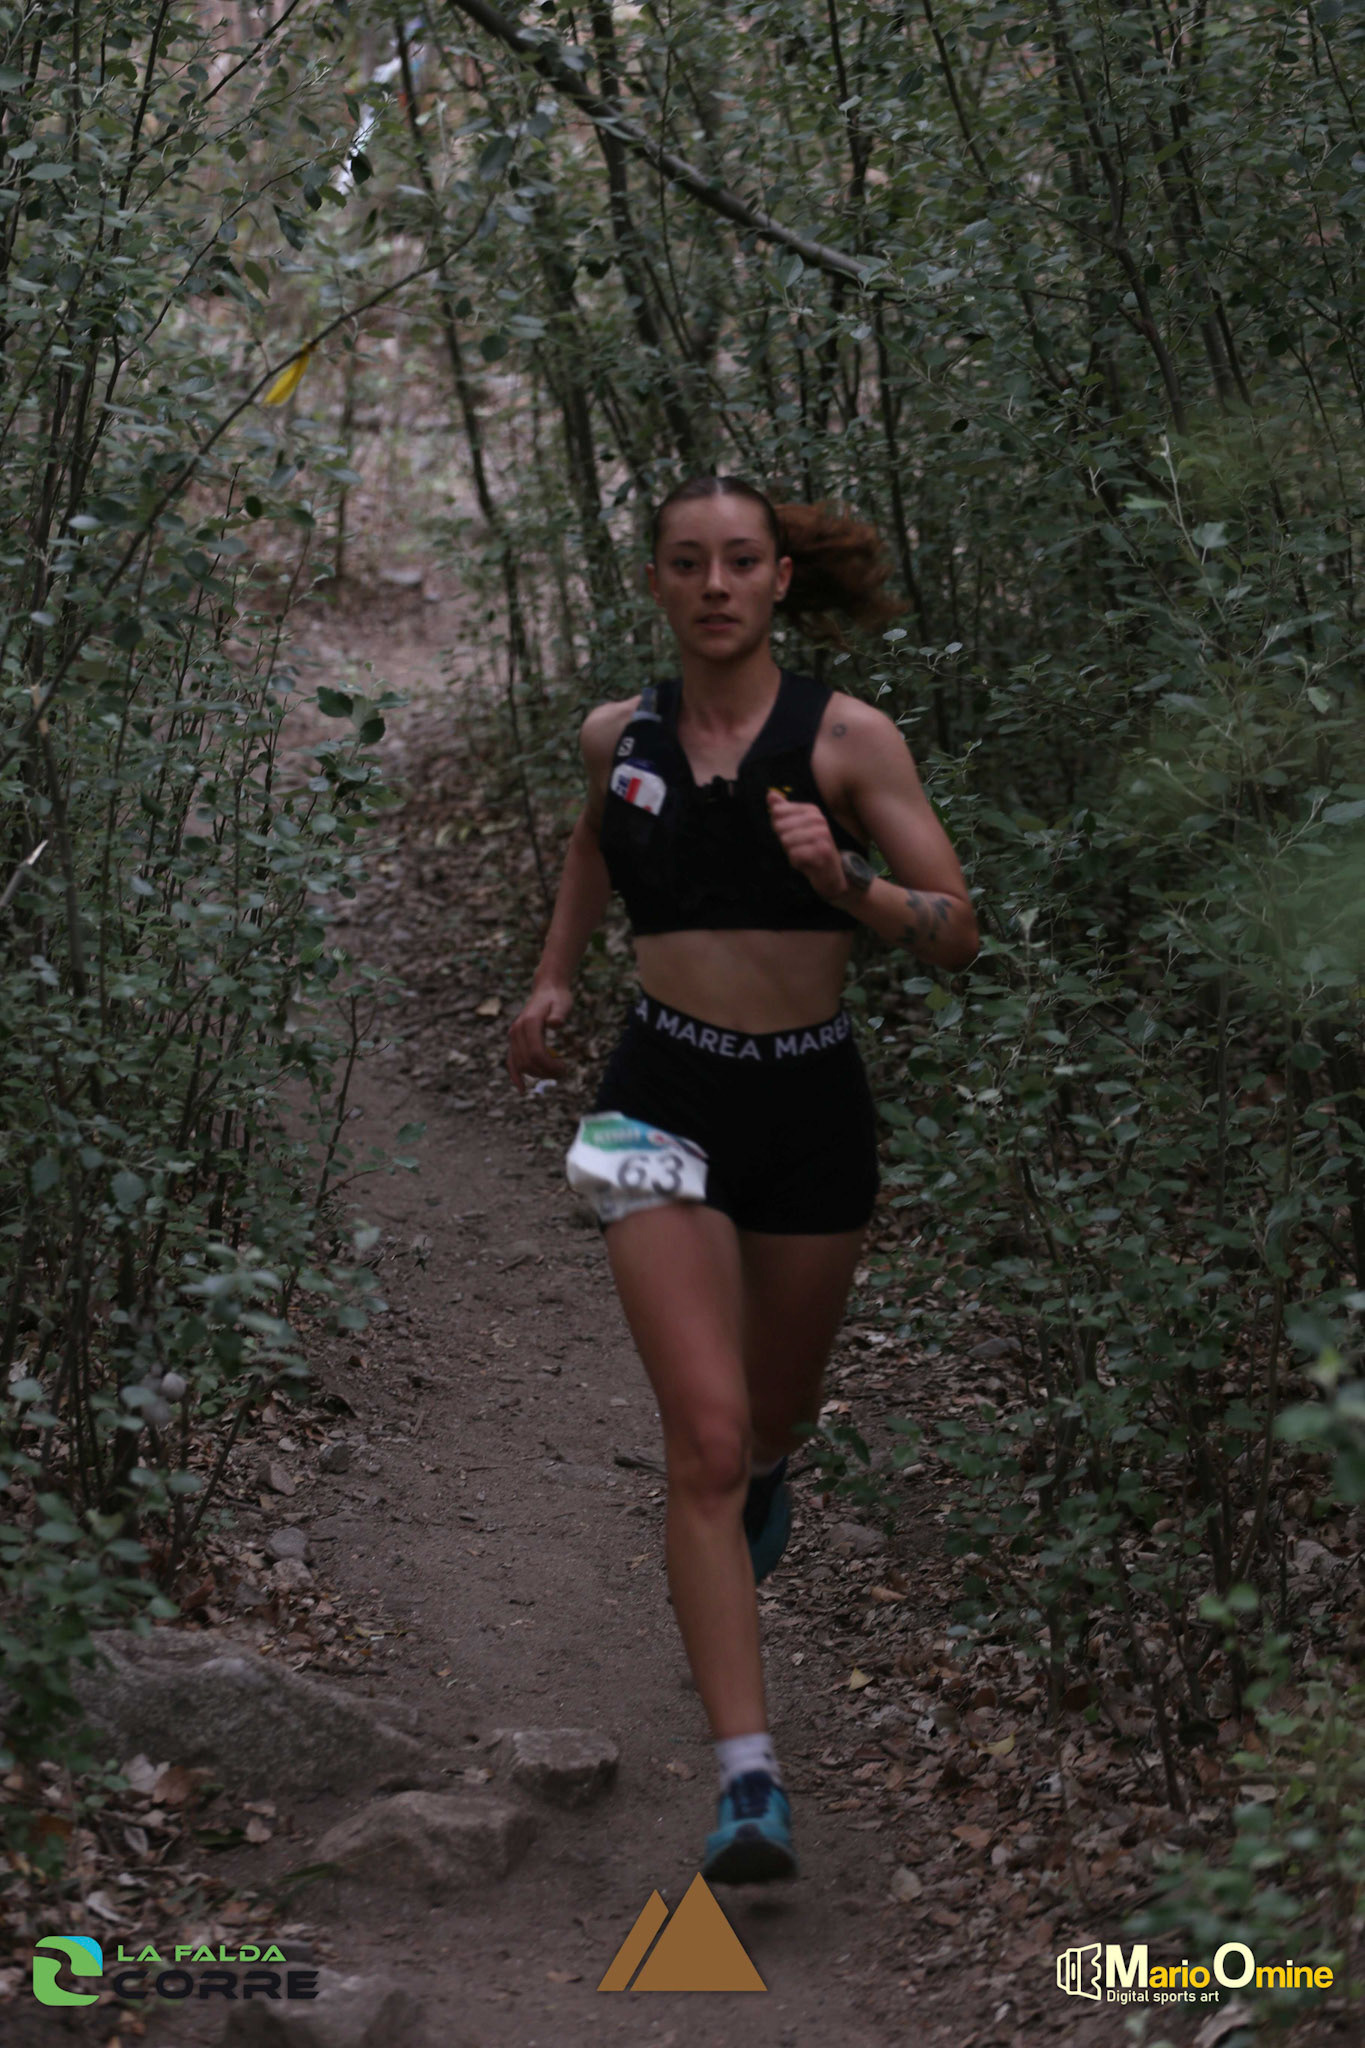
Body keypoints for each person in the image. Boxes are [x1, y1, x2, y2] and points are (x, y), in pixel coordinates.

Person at [507, 476, 978, 1886]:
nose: (713, 585)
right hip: (655, 1095)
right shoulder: (618, 735)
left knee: (770, 1419)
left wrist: (846, 884)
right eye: (685, 562)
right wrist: (551, 977)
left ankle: (771, 1465)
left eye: (738, 562)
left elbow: (957, 929)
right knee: (702, 1441)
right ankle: (749, 1785)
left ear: (778, 580)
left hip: (808, 1107)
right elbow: (593, 844)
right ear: (656, 582)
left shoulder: (846, 739)